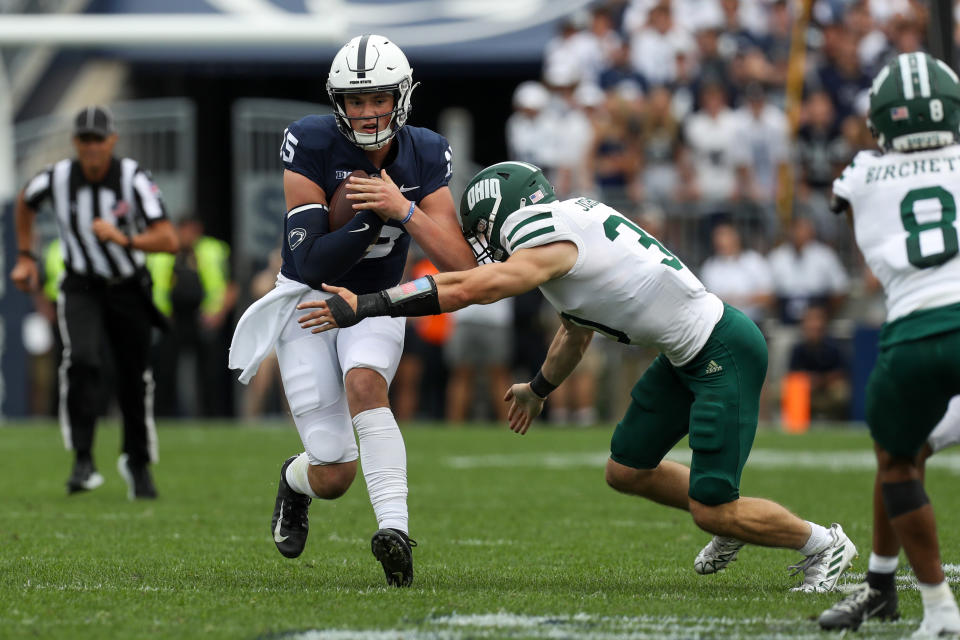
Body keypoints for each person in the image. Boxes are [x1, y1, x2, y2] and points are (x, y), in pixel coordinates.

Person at [297, 160, 857, 592]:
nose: (480, 246)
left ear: (496, 219)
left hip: (721, 351)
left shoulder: (544, 237)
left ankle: (822, 543)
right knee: (625, 469)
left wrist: (368, 304)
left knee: (712, 505)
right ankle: (732, 517)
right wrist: (539, 388)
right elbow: (576, 328)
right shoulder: (570, 222)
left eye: (479, 232)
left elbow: (471, 287)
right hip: (686, 353)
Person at [228, 35, 475, 587]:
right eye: (355, 101)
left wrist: (403, 208)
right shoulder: (310, 141)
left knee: (367, 384)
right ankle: (295, 482)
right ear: (337, 102)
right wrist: (369, 216)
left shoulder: (426, 150)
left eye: (378, 99)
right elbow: (307, 258)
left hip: (376, 302)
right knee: (335, 471)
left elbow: (461, 263)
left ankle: (394, 530)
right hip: (310, 302)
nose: (366, 113)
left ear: (402, 97)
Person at [817, 52, 960, 636]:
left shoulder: (858, 174)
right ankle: (880, 589)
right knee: (901, 454)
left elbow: (859, 231)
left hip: (916, 334)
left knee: (897, 462)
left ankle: (940, 611)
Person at [9, 105, 178, 499]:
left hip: (127, 285)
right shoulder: (59, 176)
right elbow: (24, 201)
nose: (91, 148)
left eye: (97, 140)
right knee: (82, 361)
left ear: (111, 141)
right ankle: (82, 459)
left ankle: (137, 461)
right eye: (84, 140)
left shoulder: (133, 177)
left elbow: (168, 239)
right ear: (75, 143)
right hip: (81, 285)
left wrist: (126, 240)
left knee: (132, 377)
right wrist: (24, 256)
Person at [148, 217, 237, 417]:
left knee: (211, 373)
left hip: (203, 318)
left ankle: (213, 417)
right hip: (172, 320)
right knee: (165, 371)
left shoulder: (214, 250)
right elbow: (150, 287)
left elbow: (231, 285)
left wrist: (218, 313)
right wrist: (158, 314)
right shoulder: (162, 252)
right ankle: (164, 416)